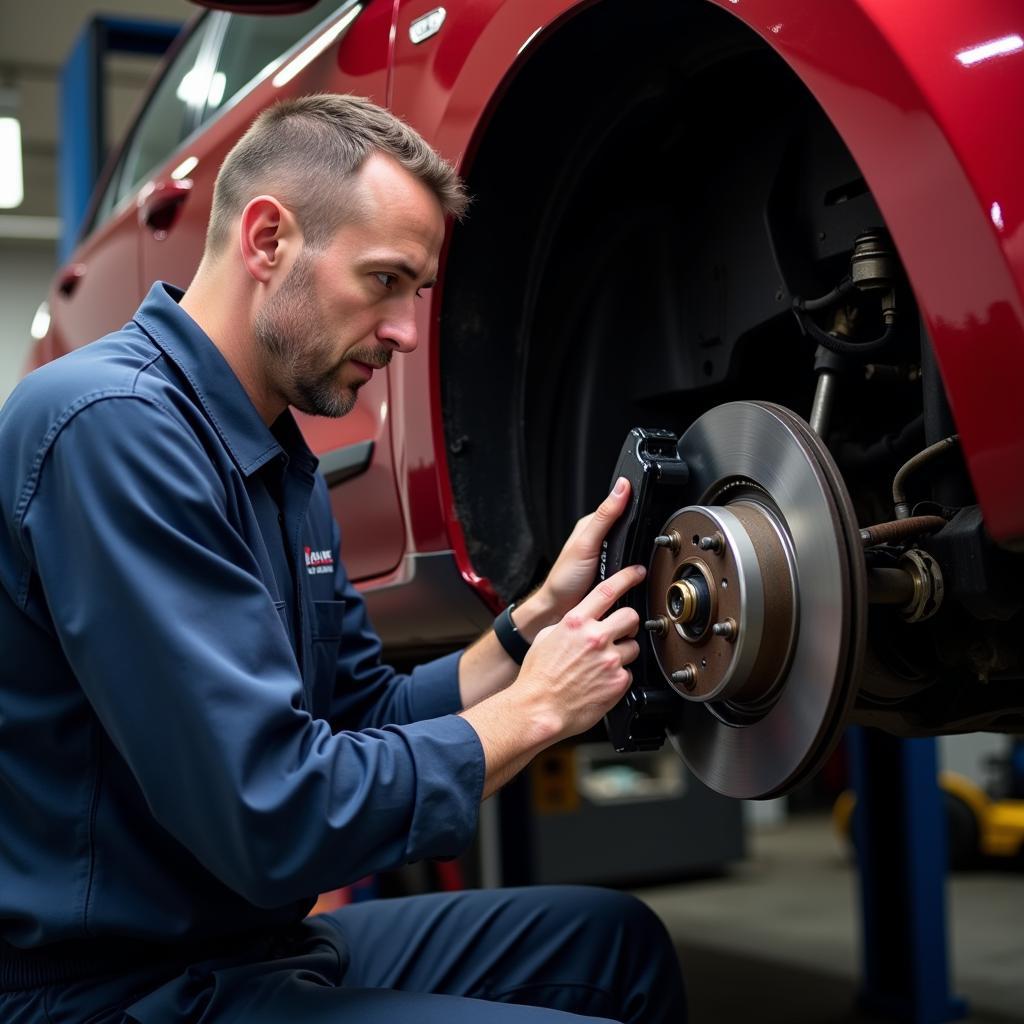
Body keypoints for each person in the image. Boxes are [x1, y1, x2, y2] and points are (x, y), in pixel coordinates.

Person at [0, 94, 685, 1023]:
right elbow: (271, 816)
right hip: (117, 989)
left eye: (419, 294)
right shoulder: (108, 428)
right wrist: (534, 713)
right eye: (385, 281)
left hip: (250, 944)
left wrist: (525, 636)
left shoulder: (282, 457)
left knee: (614, 942)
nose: (406, 331)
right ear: (269, 239)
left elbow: (360, 716)